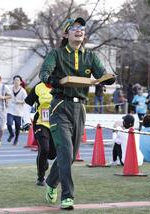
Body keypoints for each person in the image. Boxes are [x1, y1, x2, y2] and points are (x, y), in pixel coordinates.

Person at [39, 17, 115, 210]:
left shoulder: (91, 56)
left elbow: (102, 75)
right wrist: (54, 80)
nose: (79, 30)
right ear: (66, 33)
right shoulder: (56, 54)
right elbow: (44, 74)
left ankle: (50, 182)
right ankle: (67, 196)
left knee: (70, 155)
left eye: (82, 28)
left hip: (79, 108)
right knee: (65, 150)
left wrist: (107, 80)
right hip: (59, 106)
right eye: (74, 28)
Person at [25, 82, 57, 186]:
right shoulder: (38, 87)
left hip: (56, 124)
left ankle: (43, 161)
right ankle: (41, 177)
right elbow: (27, 104)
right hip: (40, 123)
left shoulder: (61, 85)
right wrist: (26, 121)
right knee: (44, 148)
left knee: (52, 155)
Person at [6, 75, 27, 145]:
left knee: (17, 127)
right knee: (9, 123)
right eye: (15, 80)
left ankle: (16, 139)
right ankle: (11, 134)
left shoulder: (23, 91)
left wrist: (19, 102)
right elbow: (6, 95)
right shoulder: (10, 89)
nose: (16, 81)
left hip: (19, 111)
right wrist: (6, 101)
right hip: (10, 110)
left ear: (20, 82)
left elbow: (26, 101)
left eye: (17, 80)